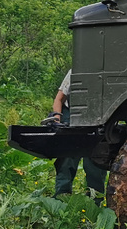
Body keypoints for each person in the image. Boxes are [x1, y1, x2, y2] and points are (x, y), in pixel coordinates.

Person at [45, 70, 108, 201]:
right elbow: (59, 99)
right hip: (71, 115)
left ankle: (94, 203)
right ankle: (61, 199)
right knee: (67, 158)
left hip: (97, 117)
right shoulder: (75, 71)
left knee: (95, 162)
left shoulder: (108, 71)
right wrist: (57, 118)